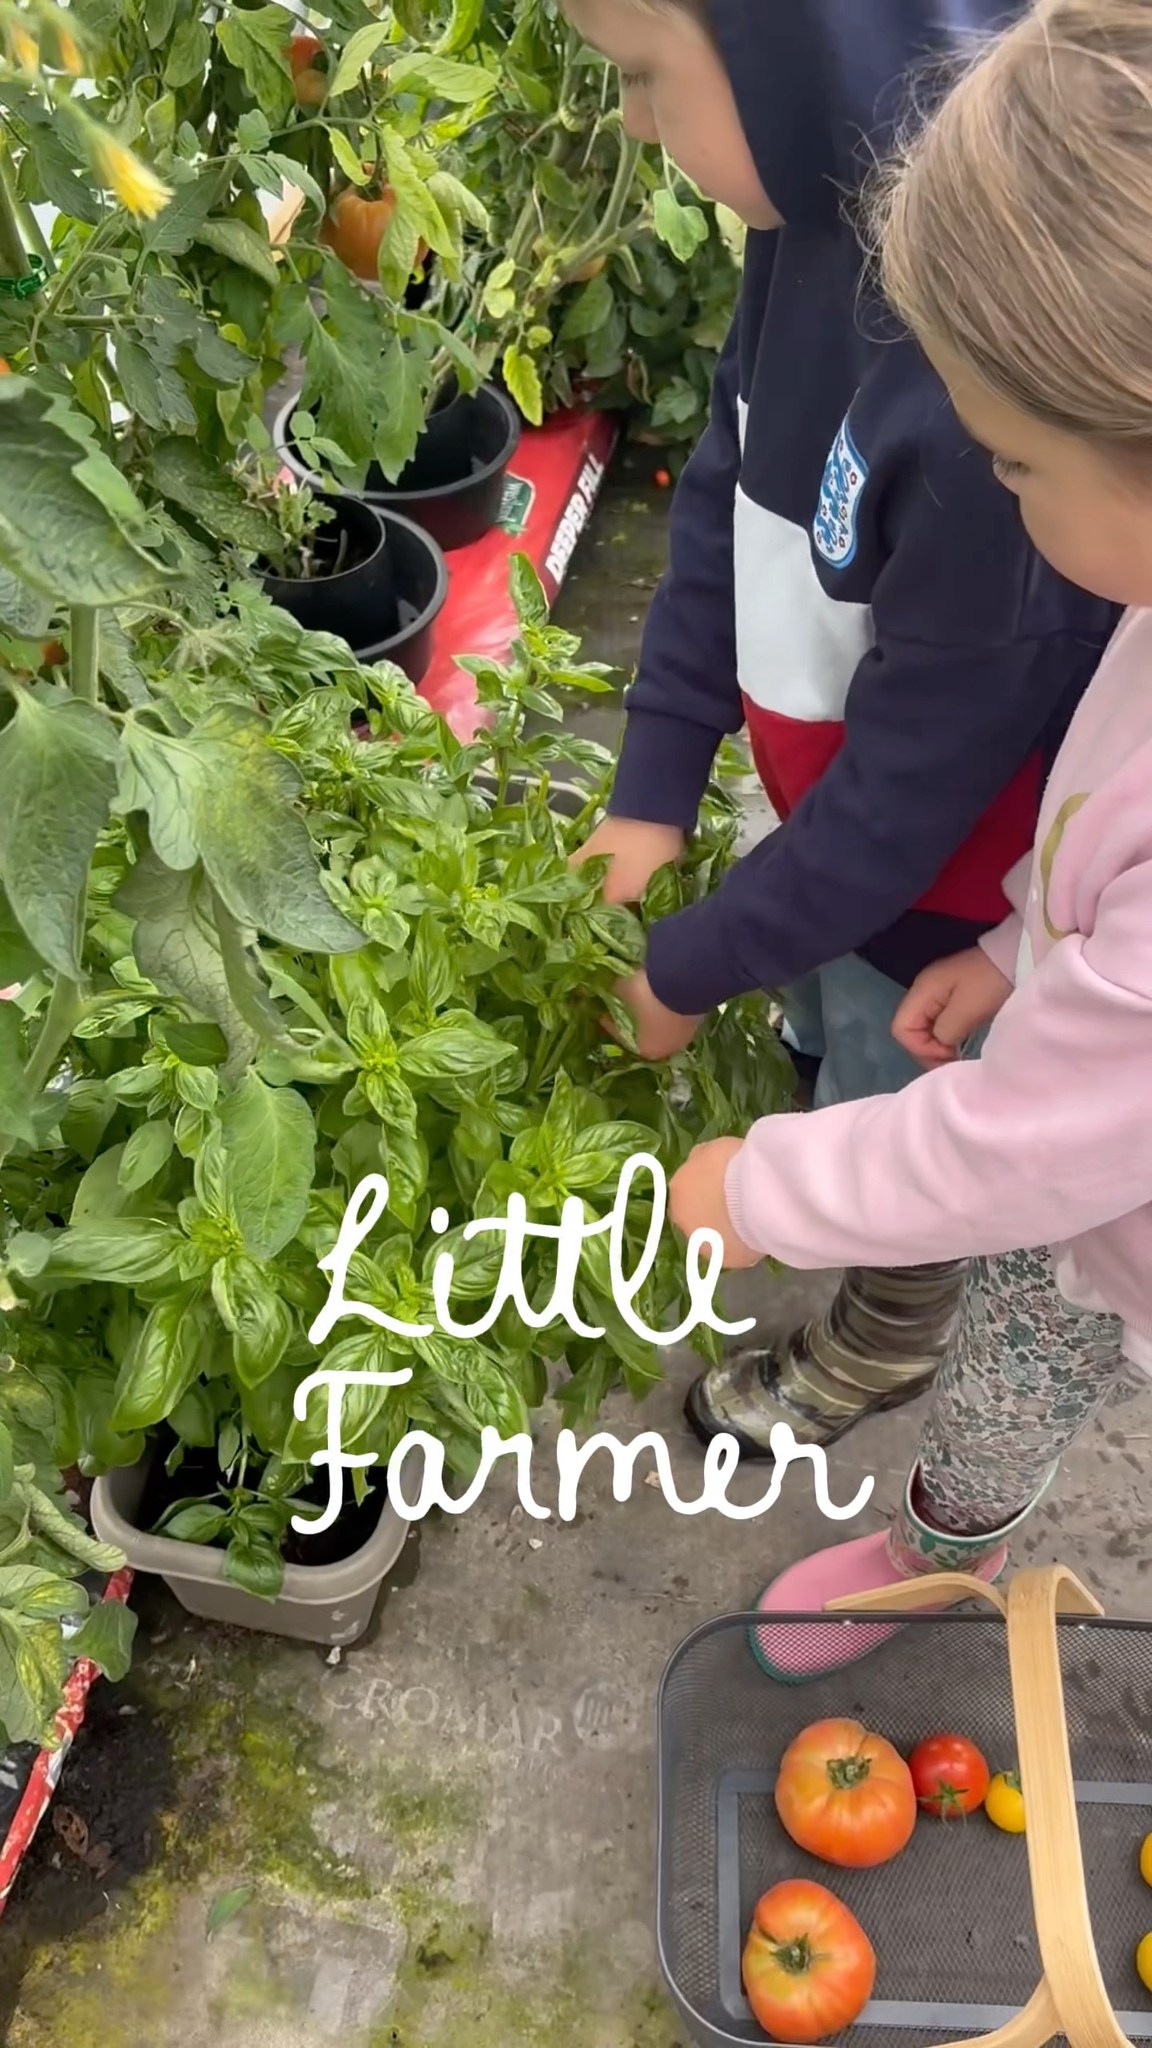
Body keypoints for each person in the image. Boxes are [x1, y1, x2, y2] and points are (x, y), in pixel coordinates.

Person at [668, 0, 1152, 1680]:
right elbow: (1105, 815)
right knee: (1020, 1355)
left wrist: (770, 1187)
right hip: (1107, 1183)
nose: (998, 497)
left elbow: (1021, 1143)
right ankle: (946, 1553)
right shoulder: (1144, 604)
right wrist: (1023, 947)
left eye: (1016, 461)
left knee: (1018, 1271)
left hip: (1113, 1173)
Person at [562, 0, 1117, 1464]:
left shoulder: (1015, 399)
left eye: (641, 78)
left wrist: (690, 964)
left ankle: (885, 1328)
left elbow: (907, 801)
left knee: (901, 1107)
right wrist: (660, 775)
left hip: (936, 896)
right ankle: (812, 1086)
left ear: (781, 57)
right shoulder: (804, 234)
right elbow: (724, 496)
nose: (632, 122)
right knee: (820, 1031)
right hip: (823, 832)